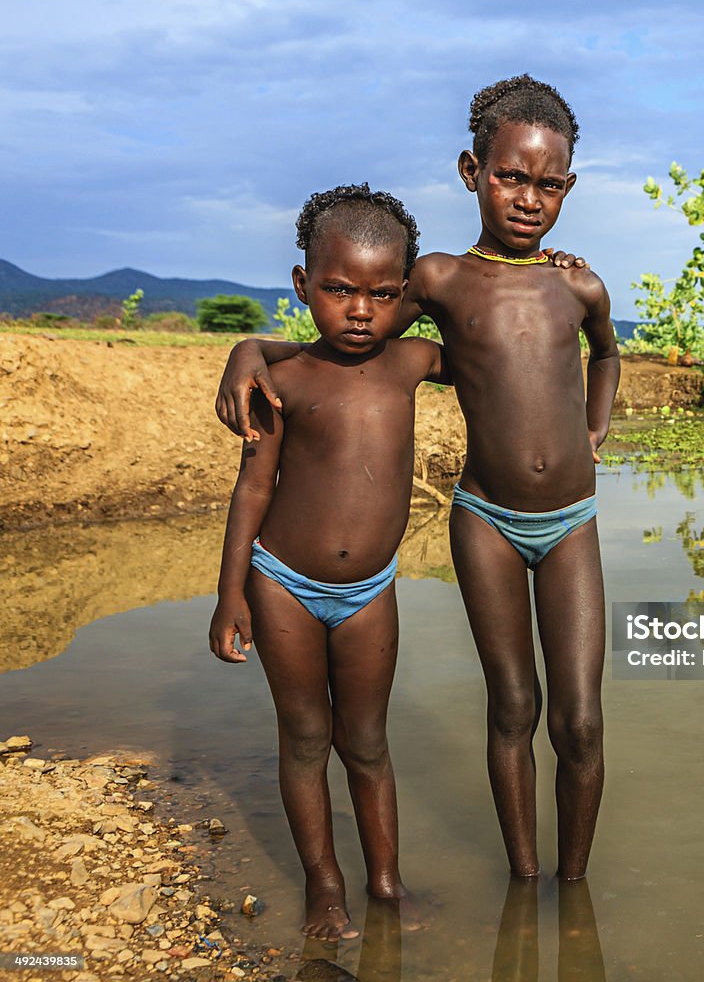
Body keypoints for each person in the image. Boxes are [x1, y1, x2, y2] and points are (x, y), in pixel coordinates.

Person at [216, 74, 620, 881]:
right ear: (473, 172)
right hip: (487, 518)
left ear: (568, 188)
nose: (528, 198)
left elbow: (607, 352)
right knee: (514, 706)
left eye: (547, 185)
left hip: (572, 518)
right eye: (510, 176)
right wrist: (250, 349)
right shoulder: (436, 278)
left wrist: (595, 427)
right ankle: (524, 882)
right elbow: (350, 337)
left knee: (580, 721)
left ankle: (571, 896)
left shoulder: (578, 282)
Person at [208, 184, 448, 942]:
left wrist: (540, 267)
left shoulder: (412, 362)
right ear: (302, 284)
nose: (360, 310)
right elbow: (253, 490)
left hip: (371, 591)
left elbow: (492, 333)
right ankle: (325, 885)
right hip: (282, 584)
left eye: (383, 294)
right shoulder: (280, 383)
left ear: (405, 294)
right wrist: (229, 596)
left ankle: (387, 884)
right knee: (307, 738)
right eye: (339, 289)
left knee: (369, 743)